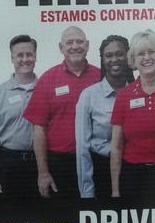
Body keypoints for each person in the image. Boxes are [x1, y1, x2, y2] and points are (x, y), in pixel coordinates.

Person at [23, 26, 101, 199]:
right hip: (60, 164)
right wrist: (43, 173)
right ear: (61, 47)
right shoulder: (48, 79)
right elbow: (38, 129)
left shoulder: (101, 77)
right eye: (69, 42)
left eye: (80, 41)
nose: (75, 46)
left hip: (96, 160)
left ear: (87, 45)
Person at [109, 30, 155, 196]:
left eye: (151, 51)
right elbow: (116, 147)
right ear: (133, 60)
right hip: (132, 177)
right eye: (140, 54)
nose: (147, 58)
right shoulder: (124, 96)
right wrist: (115, 190)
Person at [75, 35, 135, 198]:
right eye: (108, 55)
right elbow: (82, 149)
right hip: (101, 172)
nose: (114, 59)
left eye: (119, 54)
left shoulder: (139, 93)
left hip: (134, 171)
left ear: (128, 56)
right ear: (102, 59)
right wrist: (87, 192)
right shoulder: (89, 95)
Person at [0, 34, 38, 200]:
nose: (25, 59)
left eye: (29, 54)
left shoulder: (45, 89)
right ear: (12, 58)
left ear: (35, 57)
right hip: (7, 165)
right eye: (20, 55)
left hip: (39, 165)